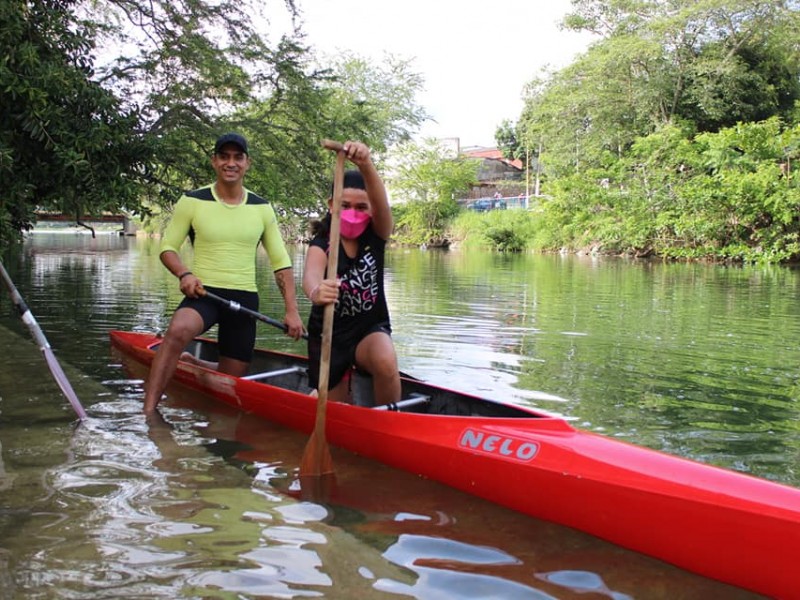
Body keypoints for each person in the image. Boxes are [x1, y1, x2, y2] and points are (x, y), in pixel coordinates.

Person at [143, 132, 304, 414]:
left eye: (237, 157)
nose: (231, 163)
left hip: (244, 300)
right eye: (224, 156)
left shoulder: (262, 208)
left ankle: (193, 363)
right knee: (179, 330)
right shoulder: (192, 201)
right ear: (214, 161)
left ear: (247, 163)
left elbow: (281, 262)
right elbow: (168, 247)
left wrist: (292, 310)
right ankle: (149, 411)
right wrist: (184, 274)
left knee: (231, 376)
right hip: (204, 292)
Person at [302, 141, 400, 406]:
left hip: (369, 327)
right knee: (335, 408)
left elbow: (383, 205)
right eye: (345, 206)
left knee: (386, 361)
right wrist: (316, 291)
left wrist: (366, 164)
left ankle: (389, 424)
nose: (352, 214)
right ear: (332, 205)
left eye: (361, 207)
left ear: (371, 210)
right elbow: (310, 276)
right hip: (330, 334)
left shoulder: (376, 235)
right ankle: (320, 395)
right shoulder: (323, 243)